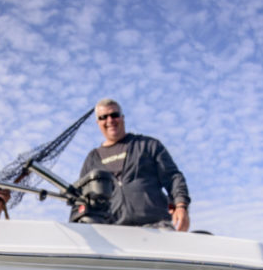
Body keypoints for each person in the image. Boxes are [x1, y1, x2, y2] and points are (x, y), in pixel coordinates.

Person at [79, 98, 191, 231]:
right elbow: (80, 199)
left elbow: (173, 178)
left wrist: (181, 206)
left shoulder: (148, 145)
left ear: (122, 117)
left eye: (114, 115)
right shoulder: (92, 159)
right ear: (98, 122)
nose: (110, 120)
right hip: (113, 233)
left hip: (157, 227)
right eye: (103, 117)